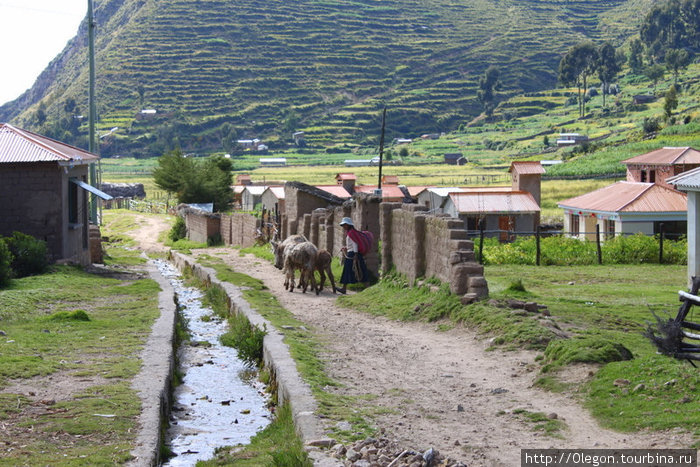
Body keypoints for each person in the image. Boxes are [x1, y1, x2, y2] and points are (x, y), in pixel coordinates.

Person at [335, 217, 368, 294]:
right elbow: (352, 244)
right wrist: (346, 248)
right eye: (343, 225)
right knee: (357, 270)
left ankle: (366, 287)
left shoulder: (351, 233)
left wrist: (355, 255)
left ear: (349, 225)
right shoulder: (351, 232)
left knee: (358, 270)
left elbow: (355, 244)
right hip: (353, 253)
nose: (344, 226)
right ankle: (344, 288)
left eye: (345, 225)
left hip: (353, 254)